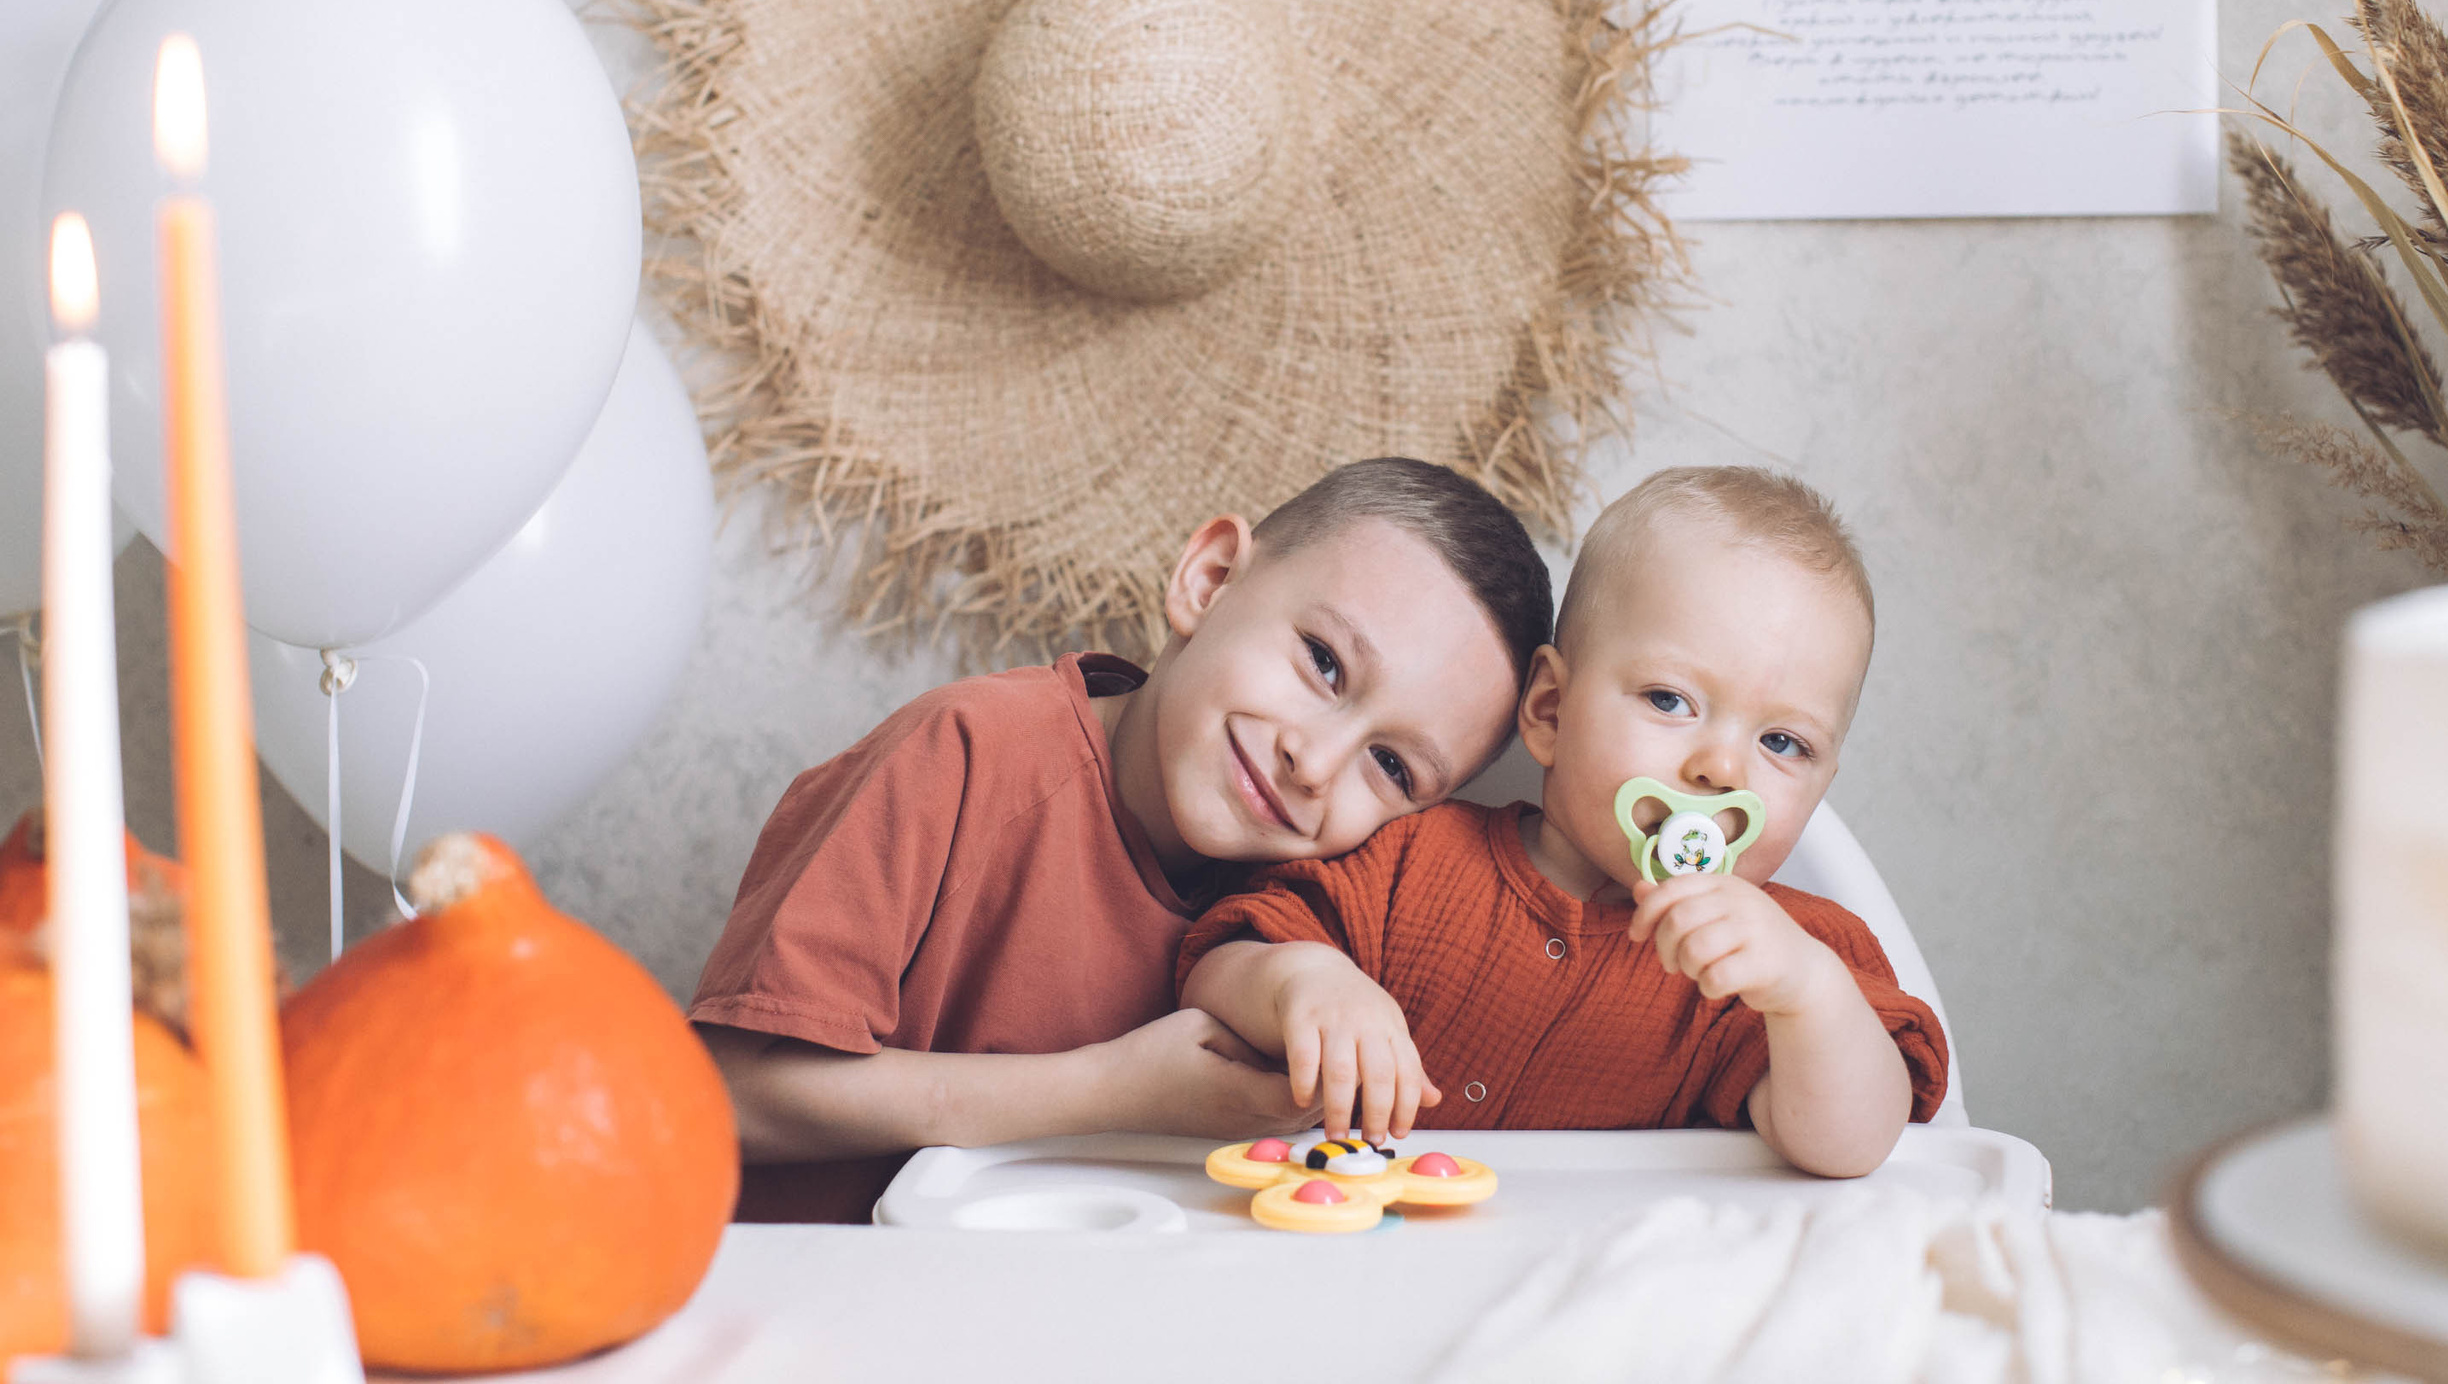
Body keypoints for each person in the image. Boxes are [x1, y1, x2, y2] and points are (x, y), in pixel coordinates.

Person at [690, 457, 1554, 1219]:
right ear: (1209, 580)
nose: (1315, 760)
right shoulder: (961, 755)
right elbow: (721, 1095)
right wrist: (1110, 1088)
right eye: (1323, 662)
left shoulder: (1312, 909)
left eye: (1393, 767)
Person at [1179, 466, 1947, 1177]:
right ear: (1550, 710)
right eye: (1670, 700)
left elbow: (1854, 1147)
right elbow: (1213, 967)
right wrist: (1302, 981)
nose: (1722, 768)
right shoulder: (1405, 858)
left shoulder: (1785, 965)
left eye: (1783, 743)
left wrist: (1807, 994)